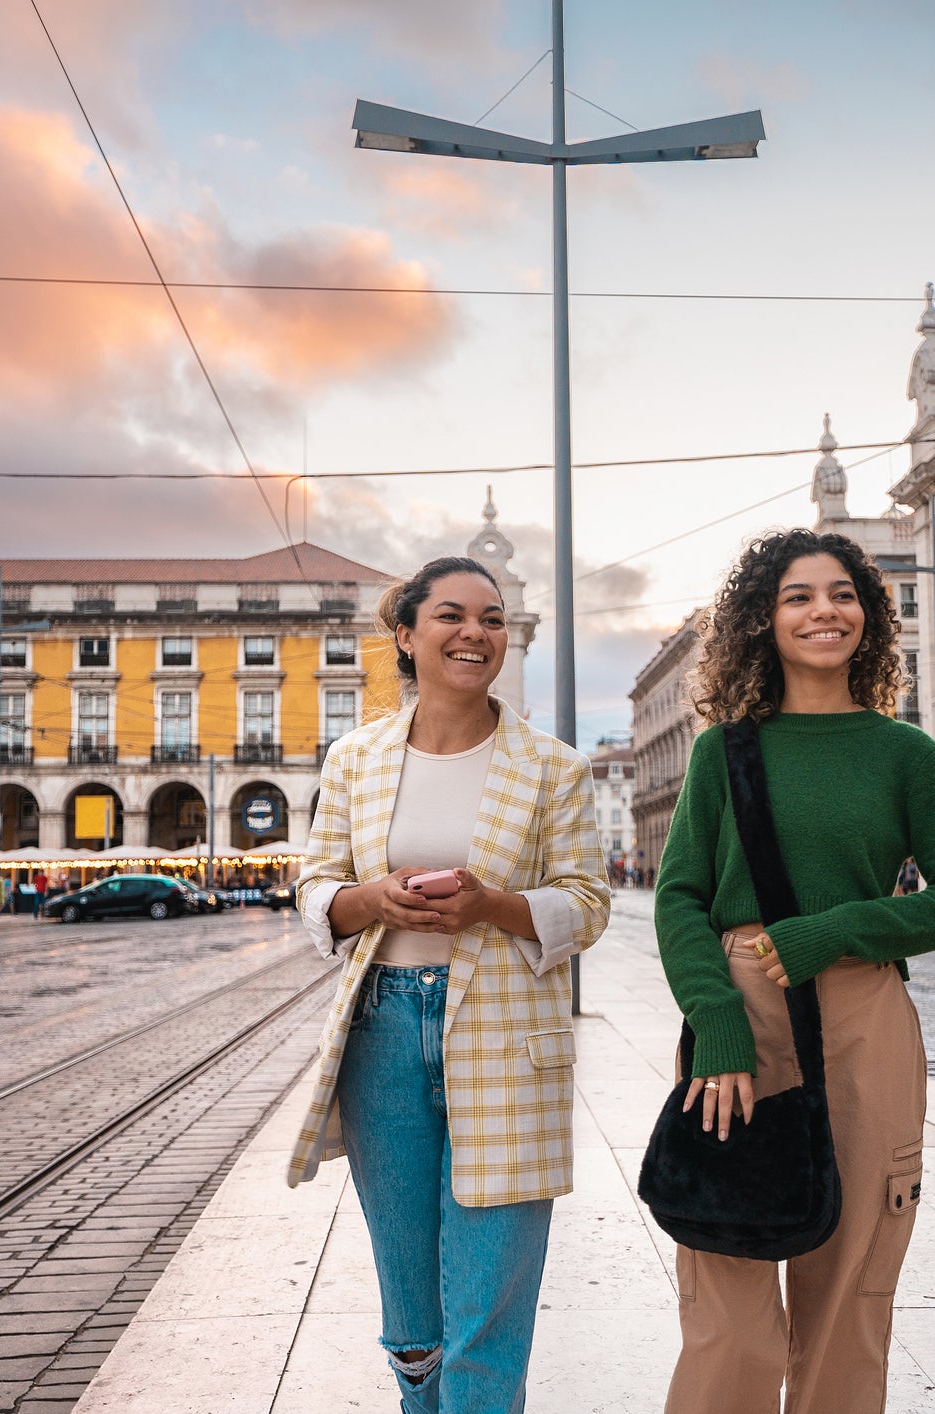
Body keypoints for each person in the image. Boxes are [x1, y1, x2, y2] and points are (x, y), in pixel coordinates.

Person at [653, 528, 935, 1414]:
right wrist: (717, 1024)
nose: (823, 612)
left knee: (850, 1290)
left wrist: (839, 930)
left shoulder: (906, 754)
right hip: (741, 1011)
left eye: (842, 594)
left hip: (863, 1019)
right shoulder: (722, 753)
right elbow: (680, 897)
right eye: (797, 597)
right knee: (726, 1288)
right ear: (762, 620)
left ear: (868, 615)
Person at [289, 555, 611, 1412]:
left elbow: (588, 905)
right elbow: (315, 887)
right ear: (406, 635)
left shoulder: (553, 768)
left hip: (506, 1034)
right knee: (411, 1317)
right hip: (382, 1033)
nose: (476, 633)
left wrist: (491, 905)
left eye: (492, 619)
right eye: (452, 616)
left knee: (488, 1309)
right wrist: (373, 898)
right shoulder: (354, 758)